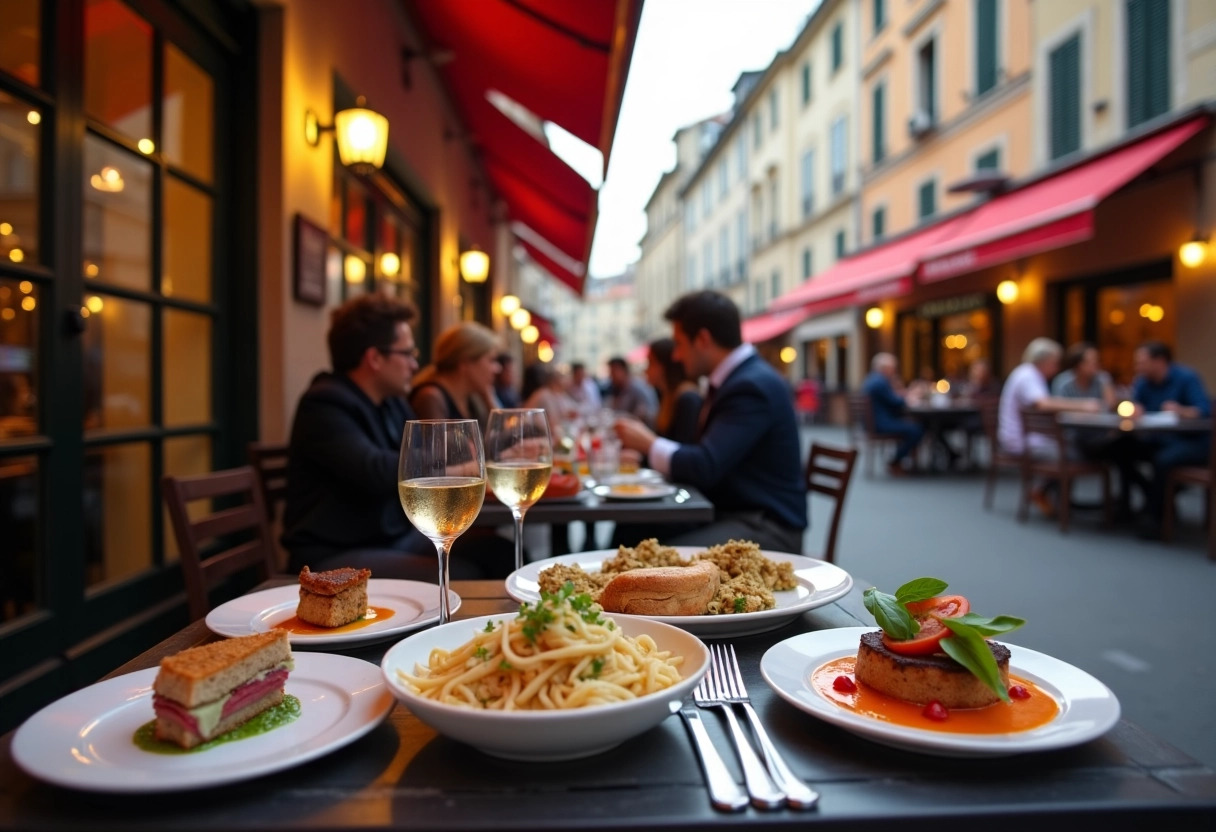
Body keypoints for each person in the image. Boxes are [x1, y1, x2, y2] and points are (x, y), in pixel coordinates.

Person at [281, 295, 496, 579]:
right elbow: (375, 470)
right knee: (462, 574)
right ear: (375, 358)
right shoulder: (324, 404)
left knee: (495, 552)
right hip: (332, 556)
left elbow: (423, 453)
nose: (414, 365)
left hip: (392, 540)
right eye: (407, 353)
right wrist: (457, 468)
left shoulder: (391, 402)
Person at [614, 290, 807, 553]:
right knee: (633, 532)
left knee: (651, 558)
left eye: (680, 344)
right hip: (734, 515)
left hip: (765, 527)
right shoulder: (738, 380)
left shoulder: (751, 386)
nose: (676, 356)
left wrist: (648, 444)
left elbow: (706, 465)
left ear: (703, 339)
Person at [997, 338, 1101, 516]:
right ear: (1043, 361)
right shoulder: (1028, 376)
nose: (1056, 368)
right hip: (1022, 440)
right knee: (1076, 452)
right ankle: (1048, 494)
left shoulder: (1026, 374)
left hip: (1023, 437)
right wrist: (1083, 405)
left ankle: (1053, 496)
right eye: (1054, 363)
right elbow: (1043, 404)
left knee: (1072, 447)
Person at [1128, 341, 1212, 537]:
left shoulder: (1187, 377)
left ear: (1160, 361)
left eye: (1142, 362)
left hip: (1192, 441)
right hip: (1159, 438)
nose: (1138, 367)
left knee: (1164, 460)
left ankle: (1154, 516)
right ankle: (1147, 500)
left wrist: (1181, 411)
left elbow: (1204, 411)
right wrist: (1135, 410)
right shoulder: (1143, 382)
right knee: (1120, 449)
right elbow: (1136, 406)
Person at [408, 322, 502, 430]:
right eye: (492, 360)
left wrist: (489, 400)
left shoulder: (473, 397)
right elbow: (438, 445)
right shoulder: (430, 397)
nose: (497, 368)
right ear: (465, 362)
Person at [861, 353, 926, 476]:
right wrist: (908, 397)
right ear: (885, 368)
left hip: (876, 421)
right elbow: (895, 402)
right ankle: (895, 461)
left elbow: (891, 399)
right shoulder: (879, 382)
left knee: (915, 426)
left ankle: (902, 461)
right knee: (915, 430)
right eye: (893, 368)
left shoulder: (874, 379)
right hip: (881, 424)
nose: (894, 371)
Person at [646, 337, 702, 444]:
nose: (646, 369)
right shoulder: (666, 394)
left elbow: (682, 450)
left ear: (665, 366)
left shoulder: (688, 398)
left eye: (651, 362)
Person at [1052, 342, 1116, 409]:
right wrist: (1084, 405)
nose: (1095, 364)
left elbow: (1111, 404)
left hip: (1098, 419)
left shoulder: (1102, 378)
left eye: (1097, 360)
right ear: (1078, 365)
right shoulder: (1063, 381)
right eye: (1090, 361)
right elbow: (1056, 404)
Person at [605, 356, 658, 427]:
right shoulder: (618, 388)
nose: (610, 376)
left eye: (613, 372)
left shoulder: (638, 388)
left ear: (623, 370)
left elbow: (647, 416)